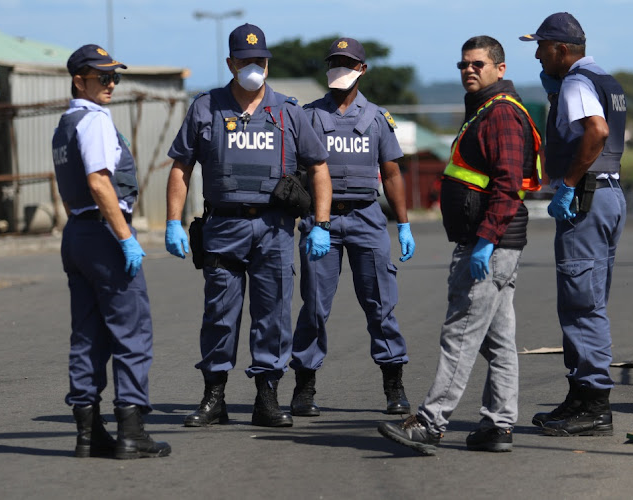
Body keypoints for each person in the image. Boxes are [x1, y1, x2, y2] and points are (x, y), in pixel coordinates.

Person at [378, 35, 541, 455]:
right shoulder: (487, 110)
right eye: (464, 65)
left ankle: (432, 422)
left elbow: (508, 185)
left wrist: (486, 241)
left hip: (489, 243)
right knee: (498, 340)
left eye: (479, 64)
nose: (470, 70)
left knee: (462, 332)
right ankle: (498, 426)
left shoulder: (501, 114)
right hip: (494, 242)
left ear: (500, 69)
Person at [164, 23, 332, 428]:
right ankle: (214, 397)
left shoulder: (289, 111)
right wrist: (172, 221)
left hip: (274, 230)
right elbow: (181, 167)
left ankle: (267, 398)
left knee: (273, 315)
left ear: (268, 63)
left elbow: (319, 168)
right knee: (220, 314)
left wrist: (321, 223)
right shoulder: (205, 107)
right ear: (231, 63)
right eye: (245, 60)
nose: (253, 67)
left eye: (260, 60)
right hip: (223, 227)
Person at [52, 44, 171, 459]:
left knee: (86, 335)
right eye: (103, 78)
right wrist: (124, 238)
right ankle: (131, 430)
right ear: (78, 80)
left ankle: (87, 433)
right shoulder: (95, 121)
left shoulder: (65, 125)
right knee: (131, 332)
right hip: (105, 235)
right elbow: (100, 182)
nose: (112, 84)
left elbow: (70, 192)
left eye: (114, 77)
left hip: (78, 234)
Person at [288, 37, 415, 418]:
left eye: (346, 62)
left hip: (366, 218)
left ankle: (394, 385)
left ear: (362, 69)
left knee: (380, 305)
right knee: (313, 306)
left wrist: (404, 224)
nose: (338, 69)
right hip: (320, 222)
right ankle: (304, 386)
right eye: (333, 62)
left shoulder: (377, 118)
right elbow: (293, 172)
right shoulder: (308, 116)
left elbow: (392, 174)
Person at [520, 12, 627, 436]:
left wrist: (566, 183)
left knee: (581, 304)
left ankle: (594, 403)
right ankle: (580, 396)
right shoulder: (607, 80)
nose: (537, 54)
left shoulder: (577, 82)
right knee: (589, 298)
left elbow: (596, 131)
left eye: (542, 46)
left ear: (562, 50)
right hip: (609, 193)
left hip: (586, 197)